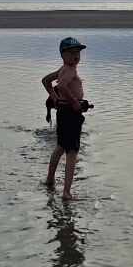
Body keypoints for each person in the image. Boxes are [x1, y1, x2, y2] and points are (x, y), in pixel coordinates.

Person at [42, 37, 91, 200]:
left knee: (61, 146)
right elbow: (62, 85)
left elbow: (46, 81)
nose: (76, 55)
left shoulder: (63, 69)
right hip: (70, 112)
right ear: (63, 55)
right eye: (71, 52)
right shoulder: (70, 70)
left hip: (62, 110)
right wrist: (75, 102)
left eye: (78, 52)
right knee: (72, 151)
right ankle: (66, 192)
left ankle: (50, 179)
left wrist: (55, 98)